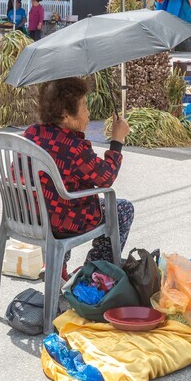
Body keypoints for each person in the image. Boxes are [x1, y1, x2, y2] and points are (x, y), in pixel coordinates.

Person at [24, 78, 133, 278]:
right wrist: (117, 140)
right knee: (122, 209)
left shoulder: (31, 134)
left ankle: (56, 265)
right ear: (66, 116)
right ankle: (93, 272)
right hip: (61, 219)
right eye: (84, 107)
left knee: (57, 197)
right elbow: (105, 178)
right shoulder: (75, 147)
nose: (88, 113)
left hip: (29, 214)